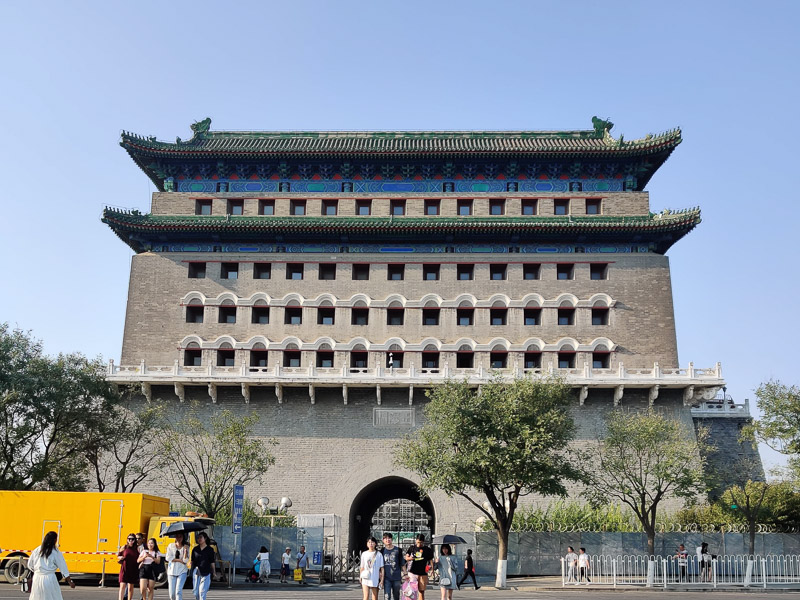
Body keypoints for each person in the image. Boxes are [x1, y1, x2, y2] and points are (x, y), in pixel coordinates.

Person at [29, 531, 75, 600]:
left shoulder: (37, 549)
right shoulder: (55, 552)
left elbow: (30, 565)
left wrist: (37, 571)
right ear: (54, 540)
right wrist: (70, 581)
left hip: (37, 578)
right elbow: (63, 567)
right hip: (49, 578)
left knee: (37, 597)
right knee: (53, 597)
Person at [405, 534, 434, 600]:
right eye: (418, 542)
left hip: (423, 572)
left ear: (423, 542)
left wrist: (432, 569)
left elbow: (431, 560)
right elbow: (406, 557)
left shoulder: (427, 550)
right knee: (412, 590)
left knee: (421, 591)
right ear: (416, 541)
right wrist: (411, 558)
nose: (419, 544)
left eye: (421, 542)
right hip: (412, 572)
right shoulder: (412, 548)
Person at [190, 532, 216, 600]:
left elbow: (212, 562)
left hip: (206, 572)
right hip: (196, 571)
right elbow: (192, 561)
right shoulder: (195, 549)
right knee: (196, 592)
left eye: (201, 537)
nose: (199, 539)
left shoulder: (210, 550)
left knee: (202, 592)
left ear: (205, 538)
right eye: (198, 537)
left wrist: (214, 572)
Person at [165, 532, 189, 600]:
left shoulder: (186, 547)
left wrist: (185, 551)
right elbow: (168, 558)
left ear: (183, 537)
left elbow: (185, 561)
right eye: (177, 536)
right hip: (171, 571)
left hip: (182, 571)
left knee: (178, 591)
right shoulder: (171, 545)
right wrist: (179, 560)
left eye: (180, 536)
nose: (179, 538)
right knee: (172, 593)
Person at [381, 532, 404, 600]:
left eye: (389, 538)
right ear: (383, 540)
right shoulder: (382, 551)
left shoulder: (398, 550)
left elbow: (402, 563)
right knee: (387, 596)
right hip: (386, 578)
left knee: (396, 596)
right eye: (386, 538)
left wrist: (405, 574)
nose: (387, 540)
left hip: (396, 577)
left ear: (392, 539)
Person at [118, 533, 140, 600]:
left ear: (135, 540)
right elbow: (118, 555)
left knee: (130, 587)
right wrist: (120, 558)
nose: (130, 540)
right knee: (122, 586)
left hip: (133, 569)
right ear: (127, 540)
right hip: (124, 568)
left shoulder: (137, 548)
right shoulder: (124, 547)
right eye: (129, 539)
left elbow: (139, 557)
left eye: (132, 539)